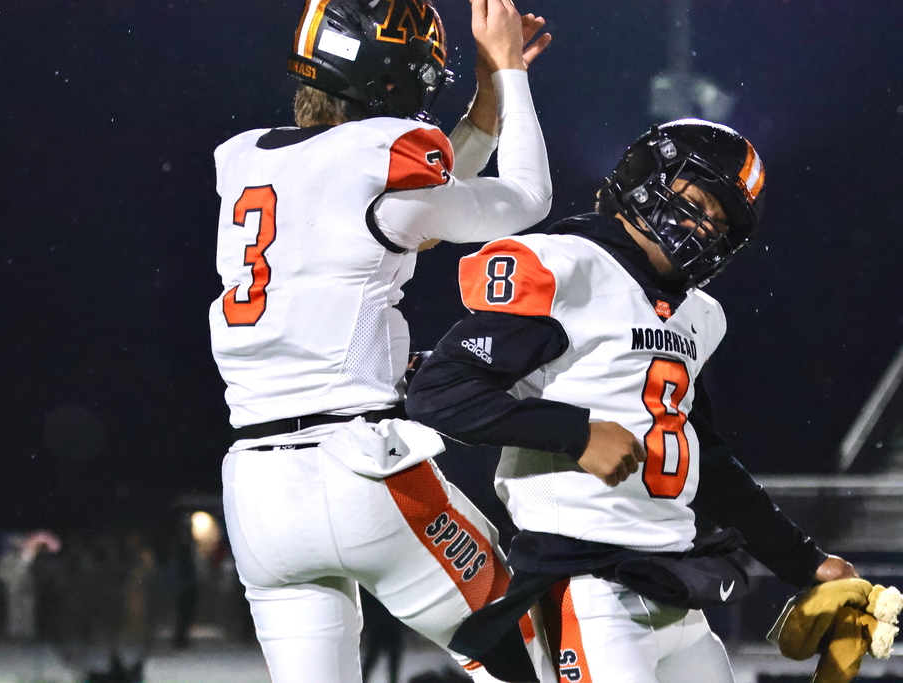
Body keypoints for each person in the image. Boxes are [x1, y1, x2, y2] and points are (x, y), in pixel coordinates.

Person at [406, 119, 860, 683]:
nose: (705, 229)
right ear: (646, 179)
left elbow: (706, 462)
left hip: (674, 589)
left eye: (722, 223)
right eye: (698, 202)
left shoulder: (697, 314)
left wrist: (807, 563)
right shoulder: (570, 266)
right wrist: (575, 435)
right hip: (588, 588)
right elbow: (440, 390)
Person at [210, 0, 556, 680]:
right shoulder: (385, 159)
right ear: (402, 77)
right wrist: (510, 78)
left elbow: (405, 204)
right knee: (531, 658)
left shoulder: (249, 159)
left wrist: (484, 111)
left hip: (256, 490)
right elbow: (523, 198)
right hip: (359, 471)